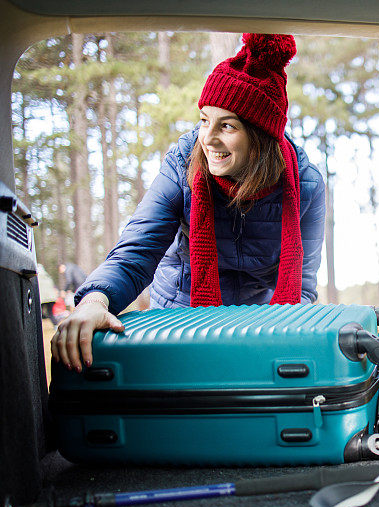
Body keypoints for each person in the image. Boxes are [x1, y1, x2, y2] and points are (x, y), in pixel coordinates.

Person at [51, 34, 325, 373]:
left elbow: (300, 287)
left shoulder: (306, 183)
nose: (208, 139)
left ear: (260, 137)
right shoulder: (183, 163)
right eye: (204, 120)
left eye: (227, 126)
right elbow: (137, 251)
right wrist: (94, 299)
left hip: (259, 326)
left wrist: (270, 341)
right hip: (178, 317)